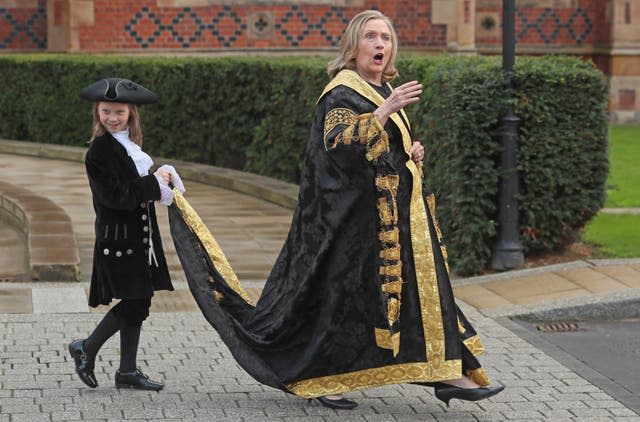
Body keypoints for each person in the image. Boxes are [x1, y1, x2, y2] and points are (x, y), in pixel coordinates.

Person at [169, 9, 504, 410]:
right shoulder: (344, 92)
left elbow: (378, 151)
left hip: (393, 222)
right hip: (352, 226)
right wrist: (385, 111)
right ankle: (327, 379)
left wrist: (408, 151)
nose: (380, 44)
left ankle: (448, 374)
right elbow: (339, 141)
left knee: (417, 295)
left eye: (385, 37)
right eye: (370, 37)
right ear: (353, 47)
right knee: (340, 303)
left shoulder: (380, 90)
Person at [68, 77, 184, 391]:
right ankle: (86, 348)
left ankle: (127, 372)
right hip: (118, 238)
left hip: (139, 237)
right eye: (106, 111)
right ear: (98, 113)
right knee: (136, 301)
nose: (112, 117)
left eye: (119, 111)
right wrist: (153, 182)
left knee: (140, 301)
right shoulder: (99, 152)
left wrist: (159, 178)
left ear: (131, 113)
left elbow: (136, 188)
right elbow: (114, 197)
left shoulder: (128, 145)